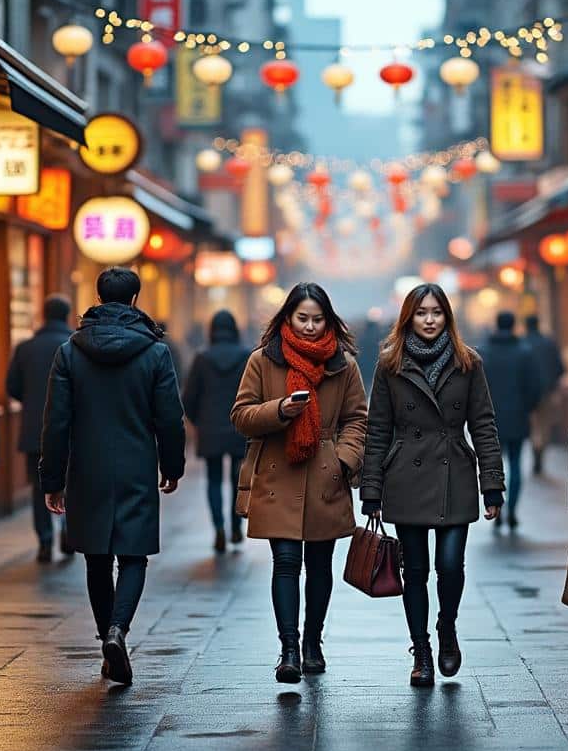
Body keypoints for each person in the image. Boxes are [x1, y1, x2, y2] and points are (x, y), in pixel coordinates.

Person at [40, 267, 186, 686]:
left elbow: (56, 422)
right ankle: (118, 631)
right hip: (136, 465)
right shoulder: (155, 353)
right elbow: (169, 418)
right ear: (136, 300)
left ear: (99, 297)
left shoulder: (70, 352)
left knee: (97, 557)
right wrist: (171, 466)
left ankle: (107, 634)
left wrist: (52, 479)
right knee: (133, 556)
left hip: (87, 467)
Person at [360, 283, 504, 687]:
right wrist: (371, 489)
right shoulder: (390, 363)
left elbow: (484, 424)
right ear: (408, 317)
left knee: (450, 565)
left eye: (436, 312)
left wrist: (492, 483)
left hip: (454, 471)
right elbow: (378, 429)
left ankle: (447, 626)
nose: (429, 320)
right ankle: (421, 650)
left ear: (447, 317)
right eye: (421, 313)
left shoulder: (468, 362)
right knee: (416, 571)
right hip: (406, 474)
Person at [230, 282, 367, 684]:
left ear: (329, 321)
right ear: (287, 318)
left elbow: (358, 419)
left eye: (317, 319)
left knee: (320, 565)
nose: (309, 326)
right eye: (302, 318)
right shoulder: (262, 360)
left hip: (326, 474)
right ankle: (289, 648)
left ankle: (312, 642)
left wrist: (344, 459)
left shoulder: (343, 365)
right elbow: (241, 415)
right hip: (279, 471)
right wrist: (280, 411)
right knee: (286, 562)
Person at [5, 294, 73, 563]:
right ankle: (68, 529)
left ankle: (45, 540)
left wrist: (34, 403)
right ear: (67, 315)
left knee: (38, 486)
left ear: (44, 315)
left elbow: (12, 386)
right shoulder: (75, 345)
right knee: (70, 481)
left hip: (35, 429)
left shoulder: (26, 348)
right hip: (70, 429)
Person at [182, 310, 251, 553]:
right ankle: (236, 526)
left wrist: (198, 422)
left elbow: (189, 397)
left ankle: (219, 528)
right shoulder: (246, 356)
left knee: (213, 480)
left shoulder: (202, 358)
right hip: (239, 427)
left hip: (210, 428)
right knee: (237, 479)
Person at [476, 311, 539, 531]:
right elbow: (535, 387)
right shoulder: (524, 352)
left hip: (489, 419)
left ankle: (497, 507)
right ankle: (512, 509)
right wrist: (526, 407)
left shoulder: (484, 352)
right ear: (513, 325)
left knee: (495, 464)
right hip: (517, 416)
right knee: (515, 463)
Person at [523, 314, 565, 474]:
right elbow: (560, 367)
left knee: (533, 424)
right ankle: (540, 453)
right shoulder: (549, 343)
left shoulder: (522, 343)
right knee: (544, 424)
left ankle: (536, 450)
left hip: (527, 394)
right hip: (547, 391)